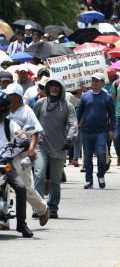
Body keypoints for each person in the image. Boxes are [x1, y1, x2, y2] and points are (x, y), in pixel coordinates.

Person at [4, 83, 49, 227]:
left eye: (9, 96)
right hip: (4, 154)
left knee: (25, 188)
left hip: (20, 154)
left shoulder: (27, 111)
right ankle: (4, 220)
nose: (6, 98)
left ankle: (42, 209)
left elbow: (35, 132)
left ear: (16, 97)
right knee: (3, 185)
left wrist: (31, 148)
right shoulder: (4, 110)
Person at [32, 78, 78, 217]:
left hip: (59, 147)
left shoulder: (67, 106)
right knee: (39, 175)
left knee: (56, 180)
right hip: (41, 146)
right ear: (47, 88)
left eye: (56, 86)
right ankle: (38, 207)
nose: (53, 88)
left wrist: (70, 139)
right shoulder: (40, 103)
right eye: (51, 85)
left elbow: (73, 124)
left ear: (61, 88)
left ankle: (52, 207)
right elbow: (32, 122)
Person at [0, 91, 33, 237]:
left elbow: (20, 132)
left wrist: (24, 139)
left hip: (4, 162)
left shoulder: (10, 124)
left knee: (21, 187)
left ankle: (22, 224)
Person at [77, 73, 116, 189]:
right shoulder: (85, 96)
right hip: (87, 131)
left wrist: (111, 129)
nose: (94, 82)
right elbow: (79, 112)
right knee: (88, 157)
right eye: (93, 80)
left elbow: (112, 115)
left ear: (103, 83)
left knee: (101, 154)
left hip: (101, 132)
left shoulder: (107, 97)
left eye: (97, 81)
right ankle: (89, 180)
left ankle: (101, 175)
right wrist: (75, 124)